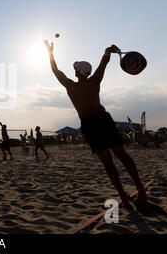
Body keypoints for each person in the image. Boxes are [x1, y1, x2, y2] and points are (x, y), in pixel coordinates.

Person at [44, 40, 147, 208]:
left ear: (77, 73)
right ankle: (141, 190)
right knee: (122, 154)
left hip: (90, 124)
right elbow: (103, 62)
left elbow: (55, 70)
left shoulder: (70, 86)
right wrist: (108, 51)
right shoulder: (94, 81)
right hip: (103, 118)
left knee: (108, 162)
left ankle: (123, 196)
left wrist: (50, 52)